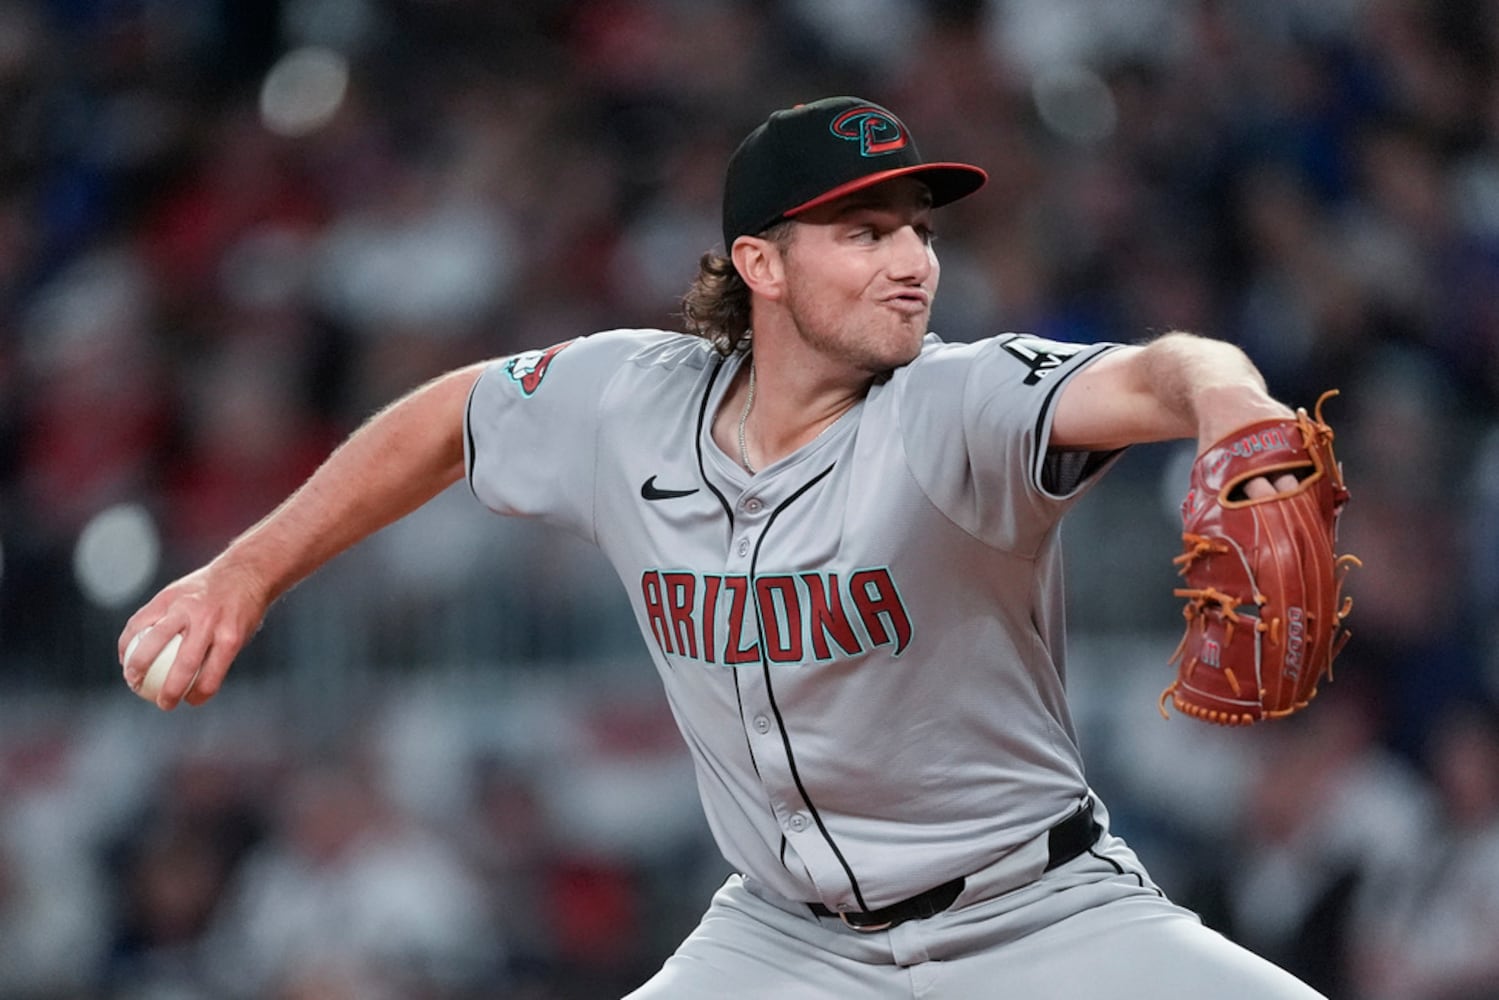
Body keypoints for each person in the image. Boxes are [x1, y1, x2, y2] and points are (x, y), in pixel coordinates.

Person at [121, 96, 1324, 998]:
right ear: (760, 264)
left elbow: (1161, 370)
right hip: (783, 943)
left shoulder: (958, 402)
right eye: (862, 233)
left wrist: (1231, 407)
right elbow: (447, 417)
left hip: (1037, 918)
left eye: (917, 231)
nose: (912, 262)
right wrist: (247, 570)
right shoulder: (627, 401)